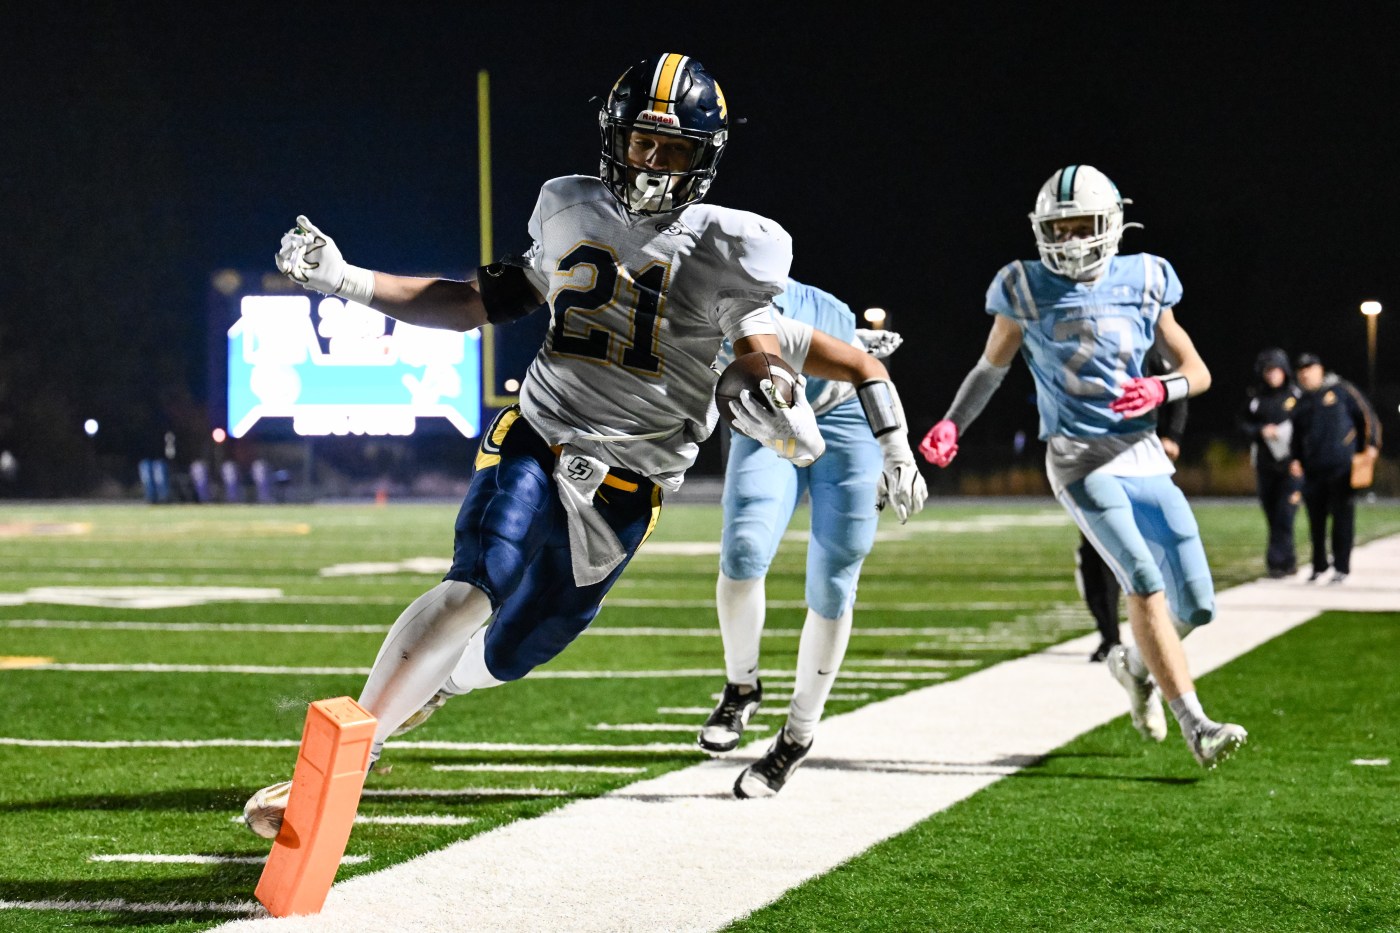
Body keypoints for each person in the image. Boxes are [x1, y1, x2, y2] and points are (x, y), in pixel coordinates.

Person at [243, 52, 926, 836]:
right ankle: (340, 770)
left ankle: (438, 685)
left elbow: (758, 350)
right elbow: (474, 301)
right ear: (615, 136)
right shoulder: (571, 208)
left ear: (705, 157)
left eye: (673, 148)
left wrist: (773, 396)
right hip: (540, 434)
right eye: (642, 141)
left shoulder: (735, 247)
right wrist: (347, 279)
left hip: (630, 485)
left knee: (520, 645)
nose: (654, 162)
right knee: (477, 583)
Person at [918, 164, 1247, 768]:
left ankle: (1136, 668)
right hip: (1077, 455)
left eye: (1081, 226)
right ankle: (1196, 724)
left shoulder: (1147, 276)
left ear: (1112, 224)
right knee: (1142, 579)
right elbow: (990, 368)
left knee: (1198, 606)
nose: (1069, 240)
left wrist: (1162, 388)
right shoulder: (1023, 285)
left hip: (1141, 452)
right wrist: (952, 423)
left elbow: (1197, 371)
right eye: (1059, 228)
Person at [698, 279, 925, 798]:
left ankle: (798, 735)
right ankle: (741, 686)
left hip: (843, 414)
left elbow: (868, 368)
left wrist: (897, 451)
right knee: (744, 547)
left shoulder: (776, 314)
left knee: (835, 578)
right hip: (766, 419)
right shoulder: (693, 303)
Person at [1077, 345, 1187, 662]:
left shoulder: (1143, 342)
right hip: (1094, 461)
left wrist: (1172, 435)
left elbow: (1180, 385)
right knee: (1095, 554)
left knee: (1147, 552)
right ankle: (1109, 637)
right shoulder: (1082, 346)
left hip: (1139, 461)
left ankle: (1160, 633)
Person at [1288, 352, 1382, 584]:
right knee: (1316, 522)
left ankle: (1341, 567)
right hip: (1313, 470)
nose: (1305, 374)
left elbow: (1368, 417)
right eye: (1301, 370)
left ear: (1320, 369)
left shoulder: (1342, 390)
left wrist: (1371, 445)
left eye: (1310, 368)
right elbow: (1296, 436)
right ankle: (1318, 566)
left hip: (1342, 469)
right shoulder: (1301, 401)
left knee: (1342, 519)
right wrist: (1295, 459)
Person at [1238, 348, 1302, 578]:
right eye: (1268, 370)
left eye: (1276, 369)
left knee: (1286, 514)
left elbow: (1307, 429)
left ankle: (1277, 563)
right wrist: (1260, 430)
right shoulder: (1256, 399)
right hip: (1265, 466)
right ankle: (1287, 561)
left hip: (1291, 466)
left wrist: (1301, 459)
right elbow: (1242, 425)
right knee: (1273, 515)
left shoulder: (1296, 396)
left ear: (1284, 370)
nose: (1272, 374)